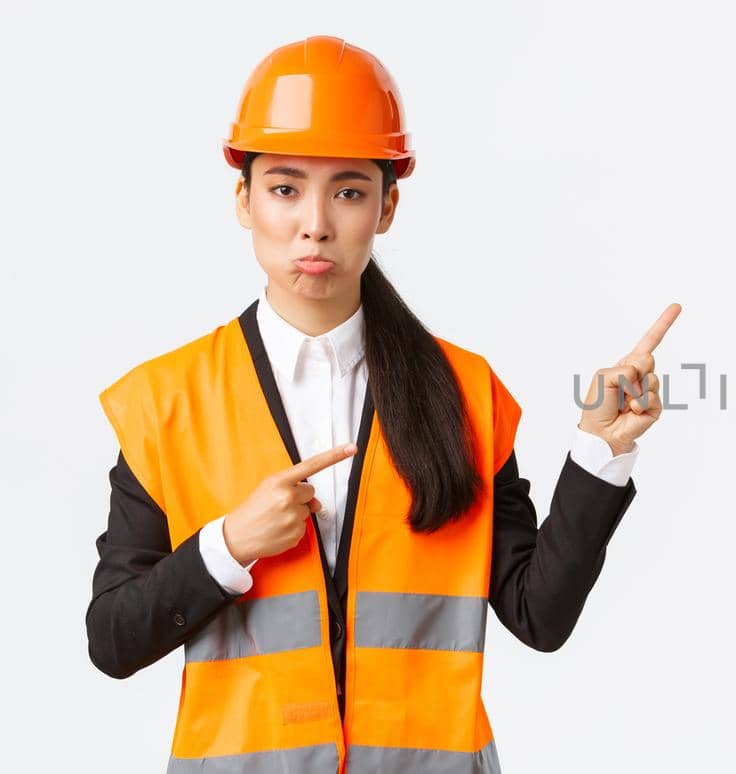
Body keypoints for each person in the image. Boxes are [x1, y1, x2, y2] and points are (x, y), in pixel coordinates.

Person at [84, 35, 680, 772]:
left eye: (349, 190)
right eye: (284, 187)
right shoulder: (167, 404)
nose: (315, 223)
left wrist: (602, 451)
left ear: (387, 207)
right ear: (243, 200)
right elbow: (112, 641)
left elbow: (539, 614)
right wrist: (229, 544)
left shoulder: (464, 395)